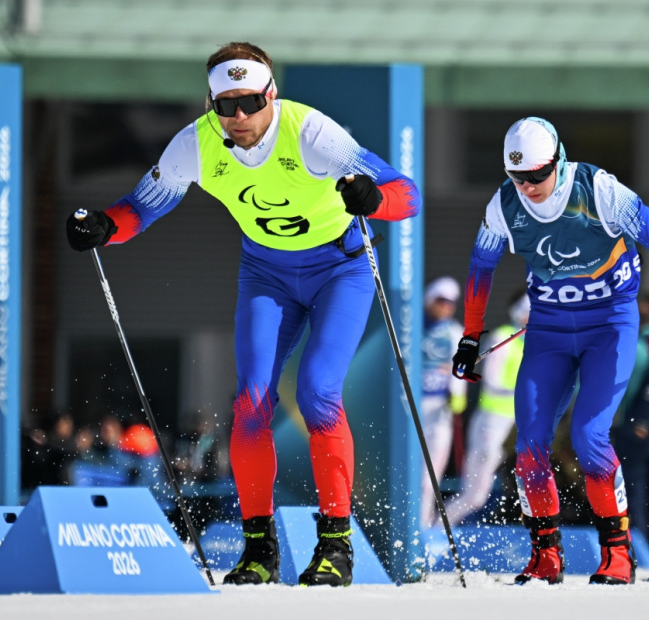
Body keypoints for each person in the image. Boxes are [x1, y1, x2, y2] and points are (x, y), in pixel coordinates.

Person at [65, 41, 420, 587]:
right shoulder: (197, 145)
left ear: (271, 95)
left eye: (250, 103)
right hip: (267, 275)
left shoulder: (311, 133)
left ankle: (336, 547)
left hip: (339, 271)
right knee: (250, 402)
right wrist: (105, 228)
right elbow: (141, 206)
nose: (239, 118)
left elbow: (406, 194)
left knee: (318, 392)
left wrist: (374, 201)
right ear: (210, 104)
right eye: (224, 106)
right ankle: (259, 551)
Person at [451, 117, 649, 586]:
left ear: (557, 162)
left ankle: (618, 554)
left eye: (537, 176)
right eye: (518, 177)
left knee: (589, 438)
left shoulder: (599, 190)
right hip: (550, 332)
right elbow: (481, 269)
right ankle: (546, 555)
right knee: (529, 446)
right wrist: (471, 336)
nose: (528, 187)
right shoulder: (504, 204)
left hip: (609, 327)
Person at [443, 291, 528, 527]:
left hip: (509, 426)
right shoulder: (503, 337)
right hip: (491, 423)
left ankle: (438, 528)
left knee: (481, 495)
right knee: (474, 496)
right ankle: (436, 530)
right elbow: (491, 382)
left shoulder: (530, 344)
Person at [613, 290, 649, 550]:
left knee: (635, 491)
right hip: (645, 425)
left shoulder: (647, 343)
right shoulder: (644, 339)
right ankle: (643, 544)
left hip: (637, 425)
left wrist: (640, 422)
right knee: (641, 490)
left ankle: (638, 546)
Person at [419, 276, 467, 529]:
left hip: (439, 411)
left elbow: (459, 370)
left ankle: (424, 526)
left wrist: (458, 396)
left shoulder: (454, 331)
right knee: (407, 470)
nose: (446, 307)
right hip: (411, 409)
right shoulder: (411, 325)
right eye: (441, 301)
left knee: (430, 476)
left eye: (450, 302)